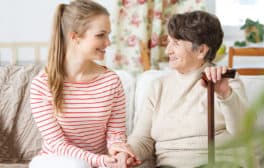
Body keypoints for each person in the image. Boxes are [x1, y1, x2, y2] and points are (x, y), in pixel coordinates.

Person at [127, 11, 249, 167]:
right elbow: (142, 140)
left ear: (201, 51)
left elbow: (245, 132)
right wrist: (127, 153)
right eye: (169, 42)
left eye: (176, 43)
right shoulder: (158, 86)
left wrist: (225, 94)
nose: (167, 50)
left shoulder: (227, 79)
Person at [29, 0, 139, 168]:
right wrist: (100, 161)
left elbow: (116, 134)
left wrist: (120, 154)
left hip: (99, 162)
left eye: (108, 35)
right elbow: (57, 145)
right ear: (75, 37)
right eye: (100, 35)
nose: (108, 43)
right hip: (56, 161)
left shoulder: (111, 81)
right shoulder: (43, 84)